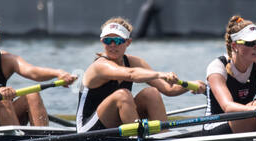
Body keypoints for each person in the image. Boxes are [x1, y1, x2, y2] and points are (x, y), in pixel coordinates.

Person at [0, 13, 78, 129]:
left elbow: (32, 72)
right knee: (0, 99)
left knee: (32, 95)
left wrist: (58, 73)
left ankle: (43, 140)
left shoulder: (6, 60)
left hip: (1, 114)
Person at [75, 18, 205, 132]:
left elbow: (168, 89)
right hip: (88, 129)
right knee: (123, 95)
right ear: (102, 41)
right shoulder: (99, 66)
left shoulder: (134, 62)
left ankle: (163, 137)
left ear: (128, 42)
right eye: (107, 40)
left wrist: (191, 85)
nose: (112, 45)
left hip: (117, 124)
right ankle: (137, 140)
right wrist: (160, 74)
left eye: (118, 40)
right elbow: (131, 74)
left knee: (151, 93)